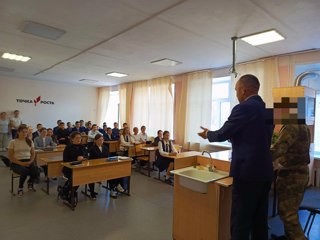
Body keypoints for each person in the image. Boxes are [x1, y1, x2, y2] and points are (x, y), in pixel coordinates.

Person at [198, 74, 274, 240]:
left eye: (236, 90)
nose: (236, 95)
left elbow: (223, 133)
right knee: (259, 220)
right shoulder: (269, 111)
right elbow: (255, 137)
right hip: (265, 172)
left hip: (247, 173)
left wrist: (207, 134)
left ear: (243, 90)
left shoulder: (243, 108)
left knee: (240, 220)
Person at [270, 124, 310, 240]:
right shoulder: (303, 125)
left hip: (292, 175)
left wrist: (258, 156)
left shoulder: (290, 126)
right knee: (289, 211)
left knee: (288, 215)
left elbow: (279, 149)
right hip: (300, 173)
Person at [7, 125, 38, 197]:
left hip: (28, 161)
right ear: (18, 132)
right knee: (25, 171)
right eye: (22, 132)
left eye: (26, 132)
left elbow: (33, 153)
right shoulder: (13, 142)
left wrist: (30, 161)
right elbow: (10, 156)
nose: (24, 134)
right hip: (16, 162)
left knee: (36, 171)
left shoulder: (30, 141)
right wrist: (21, 163)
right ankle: (20, 188)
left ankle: (30, 182)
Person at [62, 131, 88, 202]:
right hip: (69, 169)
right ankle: (67, 191)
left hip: (81, 168)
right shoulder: (68, 147)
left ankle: (68, 191)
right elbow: (65, 160)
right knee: (76, 179)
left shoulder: (82, 146)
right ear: (72, 139)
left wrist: (84, 157)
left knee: (81, 178)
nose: (79, 139)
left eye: (80, 138)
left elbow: (86, 156)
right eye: (77, 138)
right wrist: (76, 159)